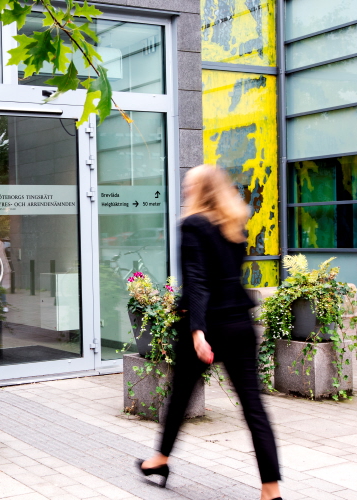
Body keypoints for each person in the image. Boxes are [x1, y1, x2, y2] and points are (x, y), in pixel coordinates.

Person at [137, 165, 282, 500]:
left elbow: (198, 280)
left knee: (180, 397)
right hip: (240, 326)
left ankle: (160, 459)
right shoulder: (233, 226)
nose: (185, 191)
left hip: (208, 327)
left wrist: (198, 332)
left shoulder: (193, 225)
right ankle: (271, 490)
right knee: (253, 408)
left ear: (201, 190)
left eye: (189, 186)